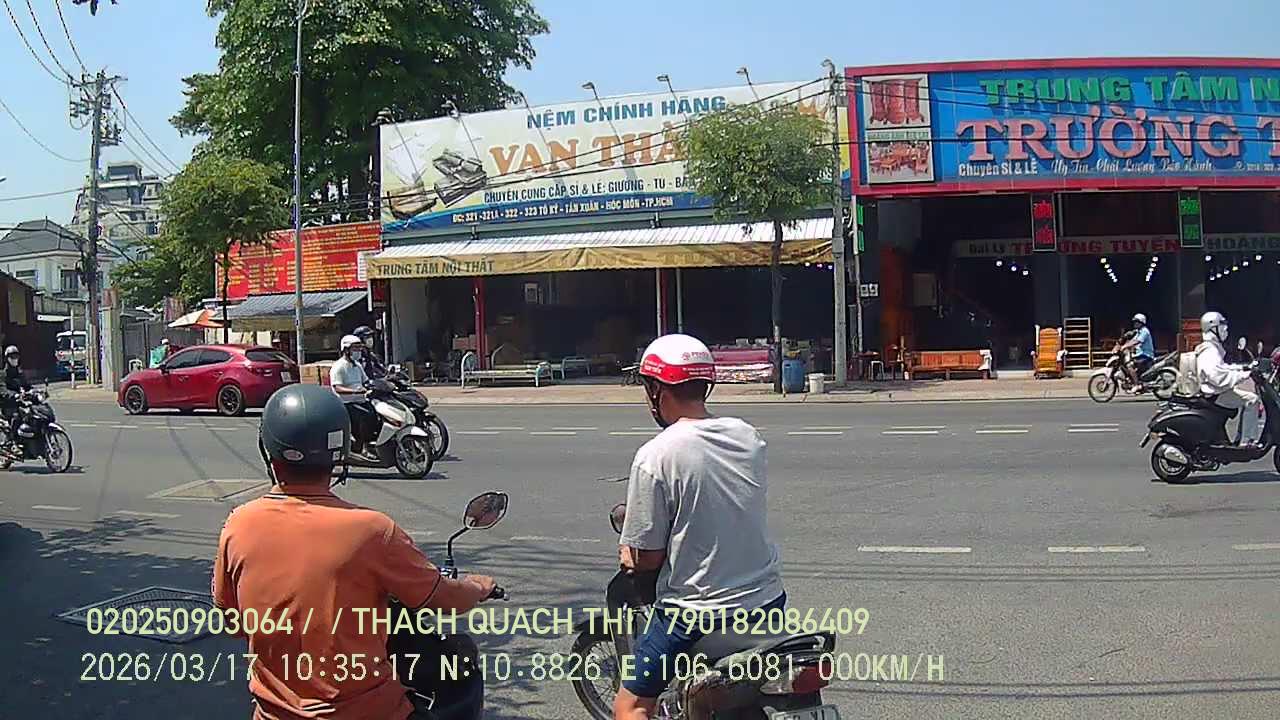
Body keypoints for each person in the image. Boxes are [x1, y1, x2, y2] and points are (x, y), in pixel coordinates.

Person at [213, 384, 497, 720]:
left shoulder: (239, 525)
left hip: (273, 713)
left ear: (267, 449)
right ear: (341, 451)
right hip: (369, 712)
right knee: (458, 659)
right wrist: (477, 587)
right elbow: (445, 599)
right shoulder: (373, 530)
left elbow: (234, 622)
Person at [613, 334, 786, 720]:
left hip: (695, 614)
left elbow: (648, 557)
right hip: (767, 602)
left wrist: (629, 554)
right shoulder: (747, 436)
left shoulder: (656, 455)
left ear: (656, 390)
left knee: (630, 706)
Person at [1195, 311, 1262, 447]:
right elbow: (1218, 377)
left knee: (1250, 399)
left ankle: (1242, 438)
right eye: (1222, 326)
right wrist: (1243, 375)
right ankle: (1246, 441)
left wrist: (1241, 368)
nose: (1225, 330)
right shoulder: (1209, 351)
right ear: (1213, 329)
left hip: (1217, 391)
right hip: (1215, 394)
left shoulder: (1212, 347)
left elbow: (1222, 368)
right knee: (1252, 400)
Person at [330, 334, 378, 456]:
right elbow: (337, 387)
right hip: (347, 403)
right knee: (365, 417)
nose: (358, 351)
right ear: (346, 350)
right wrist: (355, 391)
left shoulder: (357, 365)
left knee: (376, 414)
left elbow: (366, 381)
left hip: (361, 400)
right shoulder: (338, 367)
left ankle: (372, 444)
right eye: (355, 348)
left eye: (359, 348)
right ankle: (363, 448)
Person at [0, 345, 30, 452]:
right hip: (7, 404)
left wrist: (35, 392)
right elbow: (3, 390)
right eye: (12, 357)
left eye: (16, 356)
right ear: (7, 359)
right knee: (16, 417)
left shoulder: (19, 373)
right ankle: (13, 442)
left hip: (19, 402)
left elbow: (27, 385)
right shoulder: (3, 374)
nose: (15, 359)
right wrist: (14, 395)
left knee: (33, 414)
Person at [1120, 313, 1155, 385]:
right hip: (1140, 355)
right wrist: (1124, 345)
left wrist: (1124, 346)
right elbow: (1133, 340)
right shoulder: (1139, 332)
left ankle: (1136, 384)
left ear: (1141, 322)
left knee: (1129, 365)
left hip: (1146, 355)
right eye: (1134, 322)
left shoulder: (1145, 331)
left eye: (1136, 322)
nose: (1135, 324)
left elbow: (1137, 341)